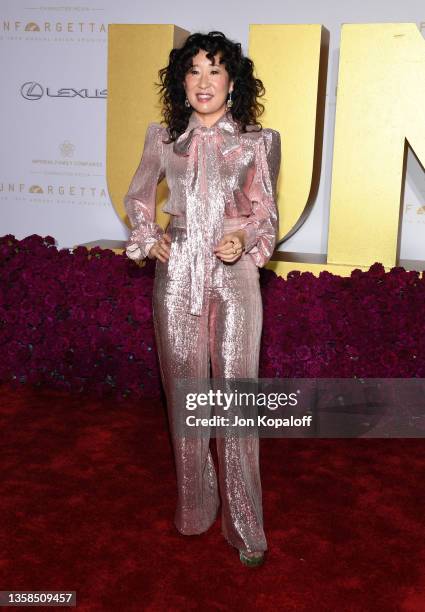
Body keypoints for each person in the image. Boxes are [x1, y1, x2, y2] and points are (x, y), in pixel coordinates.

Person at [124, 31, 281, 567]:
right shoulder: (163, 138)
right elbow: (138, 196)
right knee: (186, 394)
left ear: (233, 82)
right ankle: (195, 507)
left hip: (233, 275)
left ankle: (245, 525)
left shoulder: (259, 141)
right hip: (178, 272)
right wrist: (150, 239)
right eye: (194, 71)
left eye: (215, 70)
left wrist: (245, 238)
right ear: (181, 82)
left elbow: (266, 211)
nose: (204, 81)